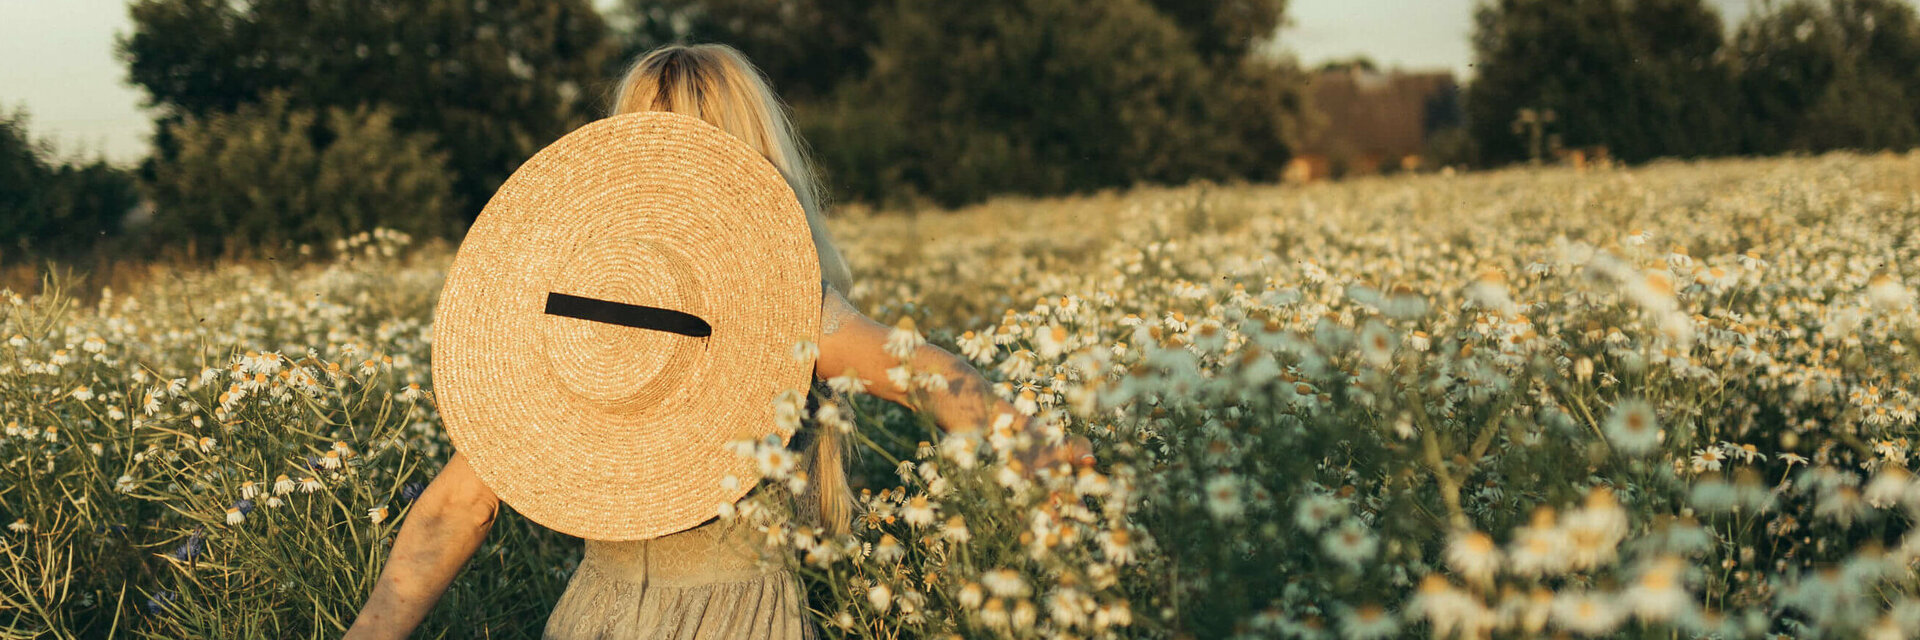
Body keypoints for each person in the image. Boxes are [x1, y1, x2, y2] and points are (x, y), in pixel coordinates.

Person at [342, 43, 1093, 640]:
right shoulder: (782, 303)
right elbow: (927, 374)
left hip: (591, 620)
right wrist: (1040, 462)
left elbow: (457, 508)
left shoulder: (578, 308)